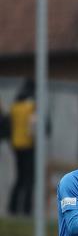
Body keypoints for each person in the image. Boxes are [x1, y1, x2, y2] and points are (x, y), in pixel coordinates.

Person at [8, 81, 36, 215]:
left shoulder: (14, 107)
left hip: (16, 145)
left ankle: (12, 207)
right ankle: (26, 209)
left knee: (19, 177)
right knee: (29, 178)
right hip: (28, 145)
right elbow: (33, 126)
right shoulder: (31, 106)